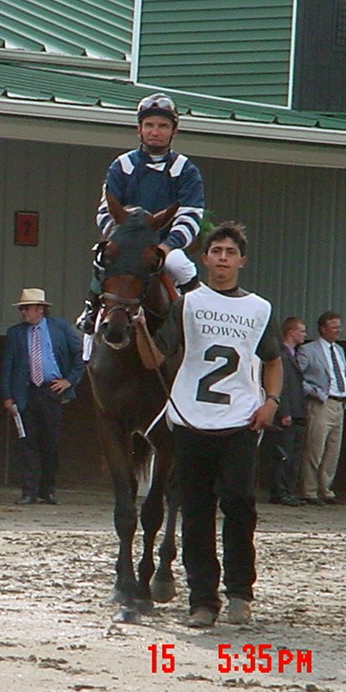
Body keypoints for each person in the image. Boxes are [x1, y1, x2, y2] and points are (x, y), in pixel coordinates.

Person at [133, 223, 281, 628]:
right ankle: (202, 600)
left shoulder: (260, 309)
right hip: (191, 417)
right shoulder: (187, 304)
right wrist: (142, 331)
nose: (222, 257)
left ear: (241, 261)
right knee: (195, 512)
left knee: (239, 504)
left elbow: (272, 360)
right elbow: (154, 359)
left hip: (240, 419)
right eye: (215, 250)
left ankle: (239, 593)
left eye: (230, 252)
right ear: (205, 257)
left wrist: (272, 401)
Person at [79, 93, 205, 333]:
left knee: (181, 267)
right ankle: (90, 314)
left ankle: (200, 323)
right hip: (126, 243)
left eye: (162, 126)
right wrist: (121, 239)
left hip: (162, 246)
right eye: (149, 125)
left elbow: (190, 215)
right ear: (139, 129)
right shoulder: (122, 165)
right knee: (102, 258)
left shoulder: (186, 170)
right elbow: (106, 211)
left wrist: (167, 247)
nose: (155, 131)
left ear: (173, 131)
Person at [0, 288, 85, 505]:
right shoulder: (15, 333)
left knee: (50, 442)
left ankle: (47, 489)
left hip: (51, 390)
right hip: (26, 391)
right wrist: (8, 396)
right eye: (22, 309)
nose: (23, 312)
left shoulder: (60, 328)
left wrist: (70, 380)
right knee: (27, 442)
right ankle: (29, 490)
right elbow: (7, 366)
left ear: (39, 309)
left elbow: (80, 353)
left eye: (26, 308)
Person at [298, 311, 346, 506]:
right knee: (315, 448)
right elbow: (298, 378)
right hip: (321, 403)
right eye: (334, 326)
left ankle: (326, 489)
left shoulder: (339, 350)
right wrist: (315, 392)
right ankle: (309, 490)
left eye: (339, 326)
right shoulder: (308, 350)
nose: (338, 330)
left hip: (340, 403)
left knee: (333, 449)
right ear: (323, 329)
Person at [259, 318, 308, 506]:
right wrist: (284, 411)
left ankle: (288, 490)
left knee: (293, 455)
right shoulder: (281, 355)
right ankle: (279, 491)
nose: (304, 334)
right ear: (290, 332)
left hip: (298, 411)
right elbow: (283, 385)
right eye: (301, 331)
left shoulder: (293, 355)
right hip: (287, 412)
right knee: (282, 454)